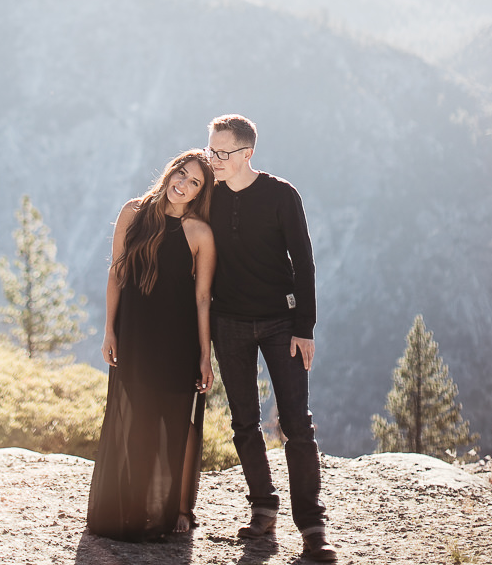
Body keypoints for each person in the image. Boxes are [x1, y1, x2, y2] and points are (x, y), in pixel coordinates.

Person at [207, 113, 338, 564]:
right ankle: (262, 507)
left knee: (296, 424)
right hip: (228, 324)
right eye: (211, 150)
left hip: (282, 324)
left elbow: (304, 262)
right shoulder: (210, 195)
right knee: (243, 421)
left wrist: (305, 328)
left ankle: (313, 528)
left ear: (247, 154)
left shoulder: (282, 196)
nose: (214, 159)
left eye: (222, 153)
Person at [87, 150, 217, 540]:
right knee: (135, 421)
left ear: (199, 193)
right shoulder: (134, 212)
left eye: (195, 183)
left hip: (178, 342)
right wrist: (110, 330)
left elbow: (202, 298)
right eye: (182, 174)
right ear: (171, 170)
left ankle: (176, 509)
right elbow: (117, 273)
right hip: (135, 336)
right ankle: (126, 510)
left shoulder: (199, 233)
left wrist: (205, 356)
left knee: (177, 422)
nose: (184, 185)